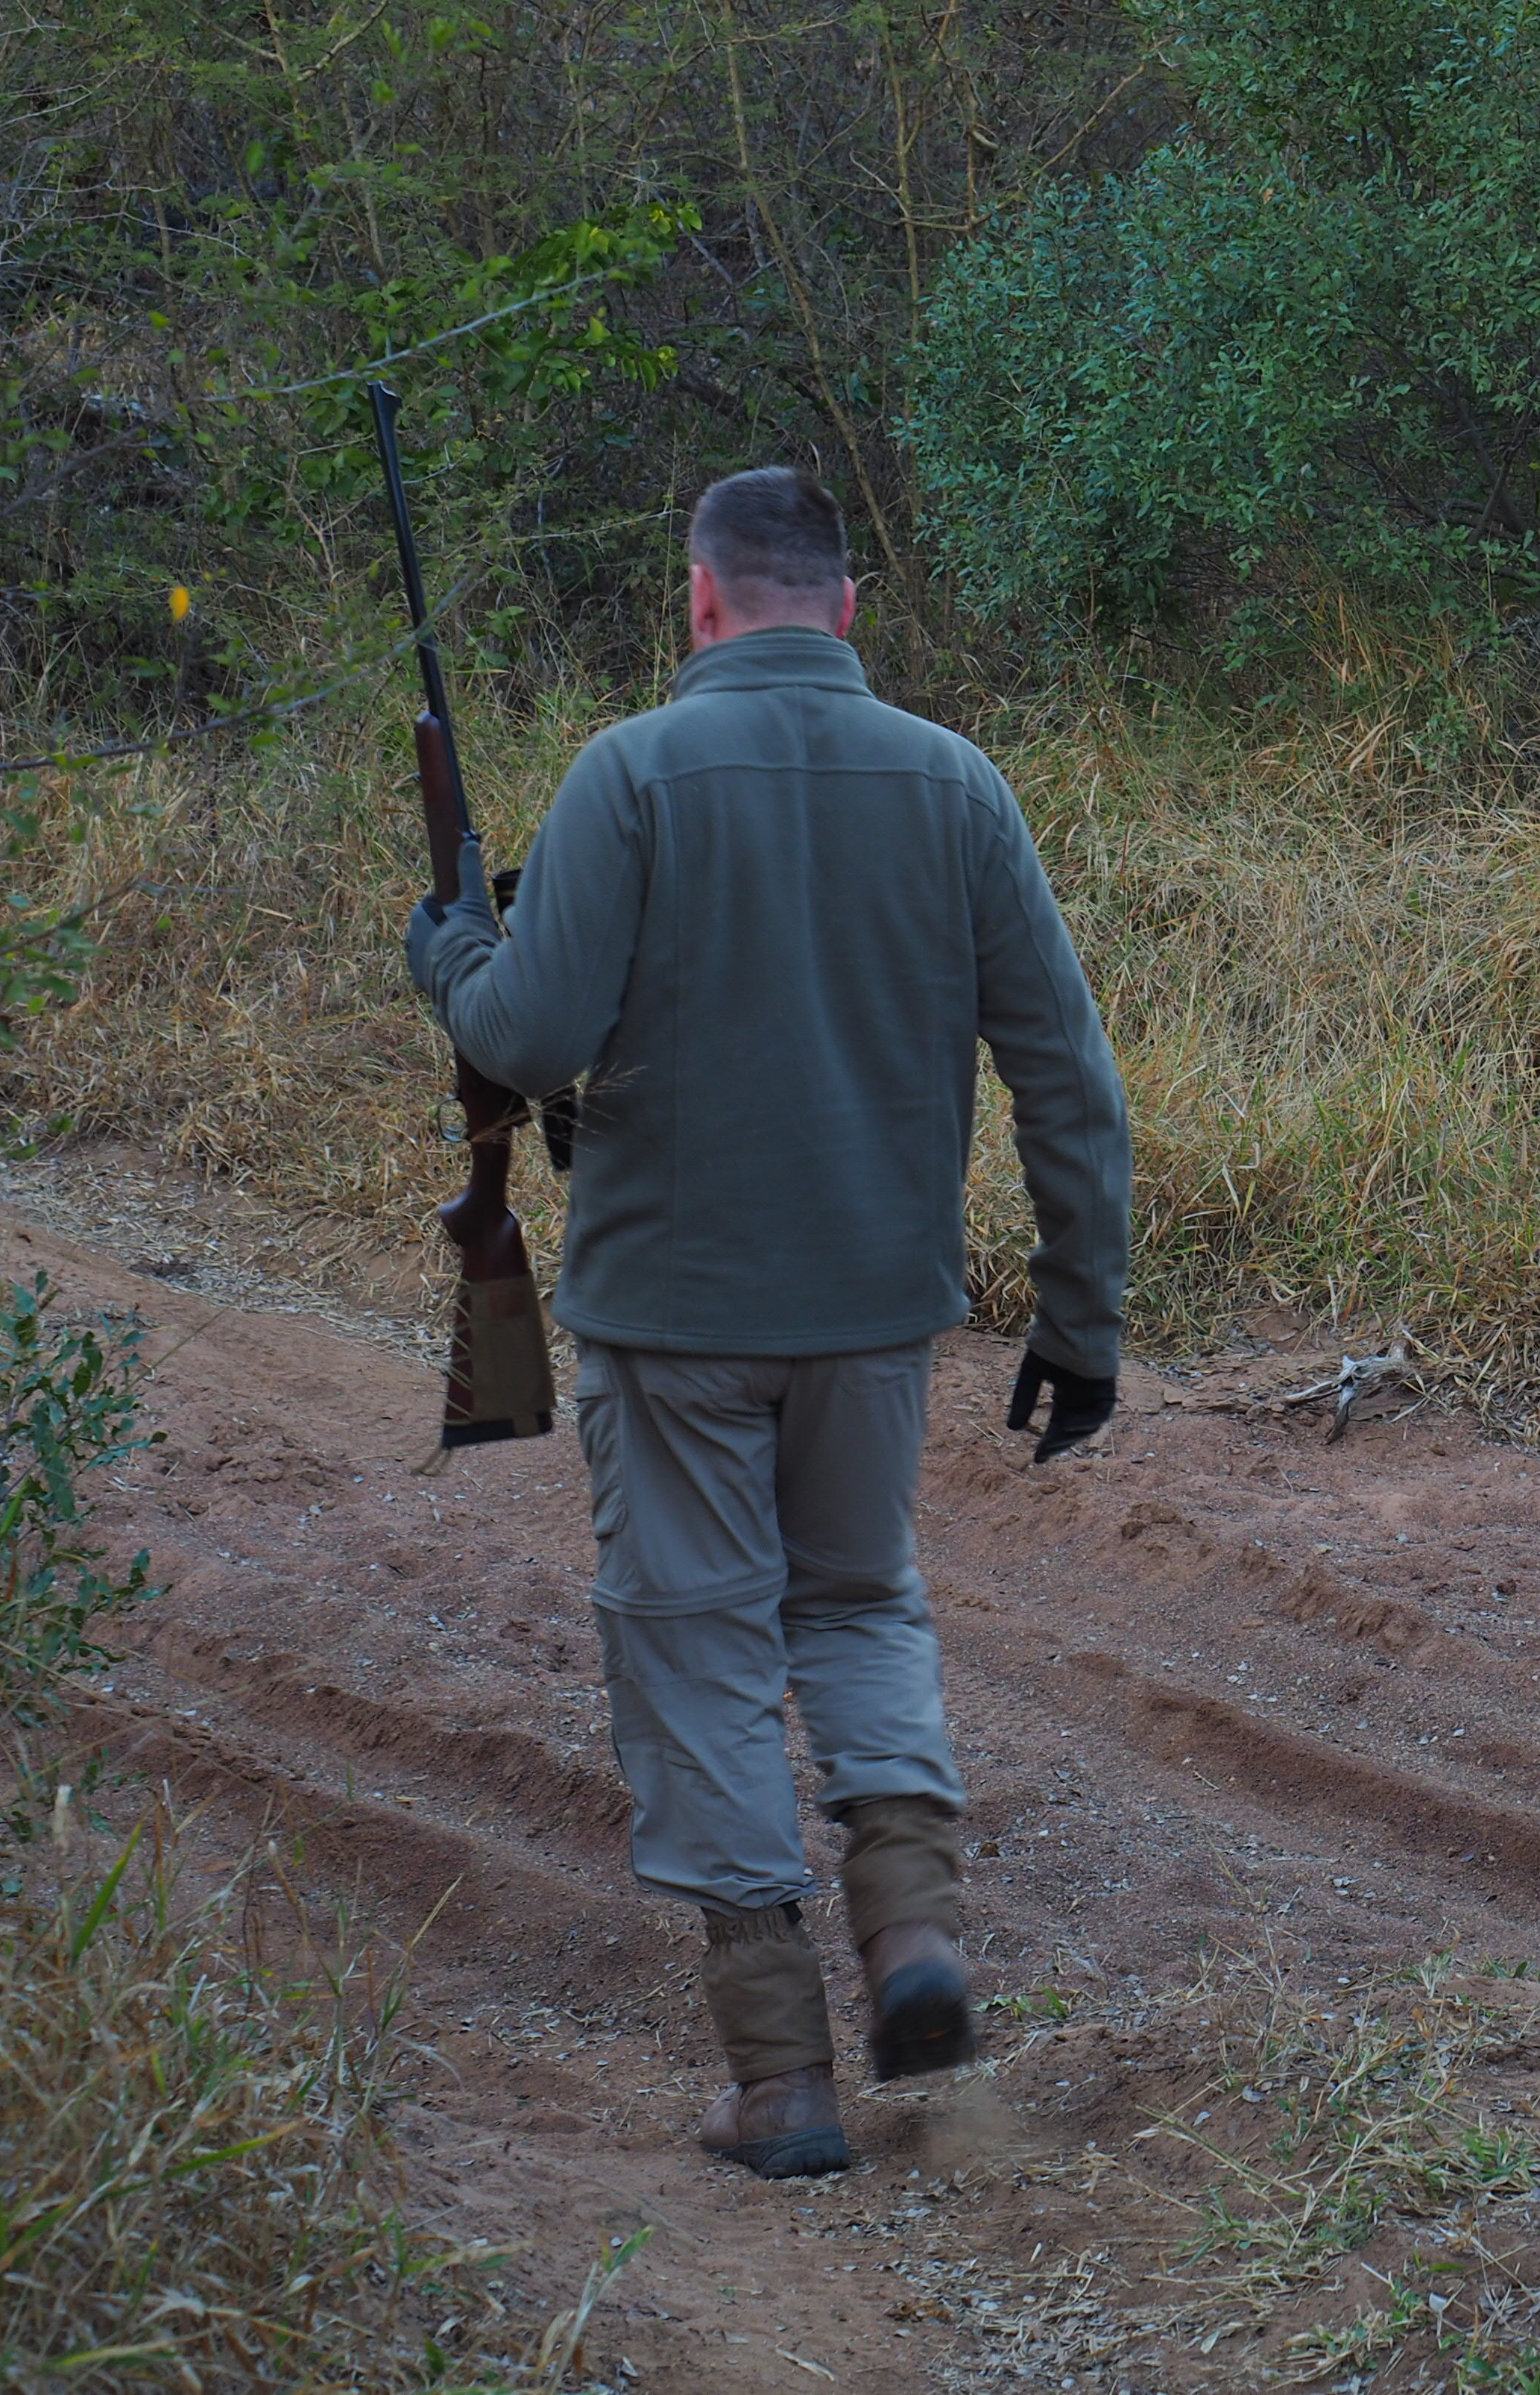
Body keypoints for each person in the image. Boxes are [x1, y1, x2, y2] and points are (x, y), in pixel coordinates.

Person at [403, 466, 1132, 2180]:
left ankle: (781, 2076)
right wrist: (1078, 1319)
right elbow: (1065, 1079)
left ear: (699, 601)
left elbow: (529, 1032)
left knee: (703, 1637)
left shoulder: (628, 771)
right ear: (846, 607)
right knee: (862, 1594)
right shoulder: (959, 783)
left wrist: (447, 952)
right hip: (876, 1310)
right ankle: (916, 1937)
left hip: (670, 1311)